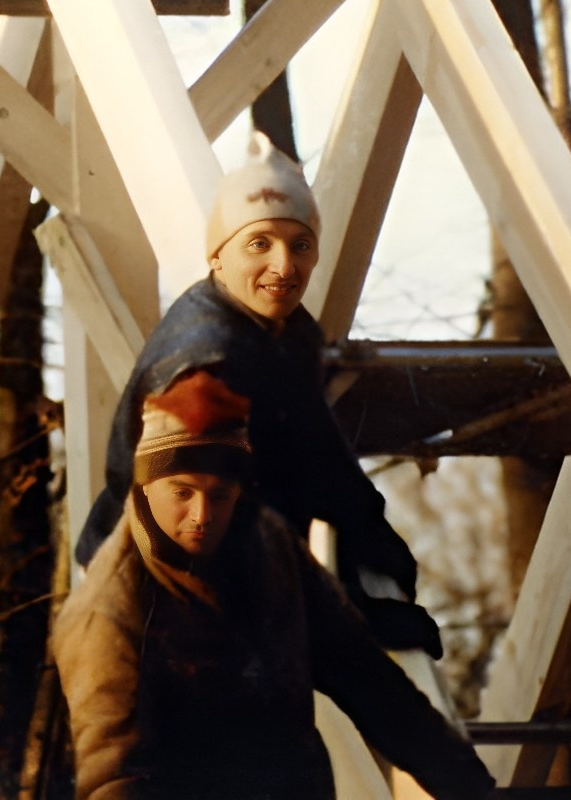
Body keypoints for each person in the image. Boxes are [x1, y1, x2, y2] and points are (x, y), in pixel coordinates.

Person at [77, 135, 441, 657]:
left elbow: (320, 456)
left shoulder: (285, 333)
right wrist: (356, 619)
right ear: (218, 255)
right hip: (154, 601)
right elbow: (197, 540)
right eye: (259, 243)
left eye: (300, 245)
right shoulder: (205, 374)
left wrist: (373, 537)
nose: (284, 267)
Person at [52, 373, 493, 800]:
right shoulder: (107, 614)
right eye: (182, 492)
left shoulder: (271, 547)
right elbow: (114, 784)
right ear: (146, 487)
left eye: (220, 494)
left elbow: (371, 683)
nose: (203, 514)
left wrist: (472, 789)